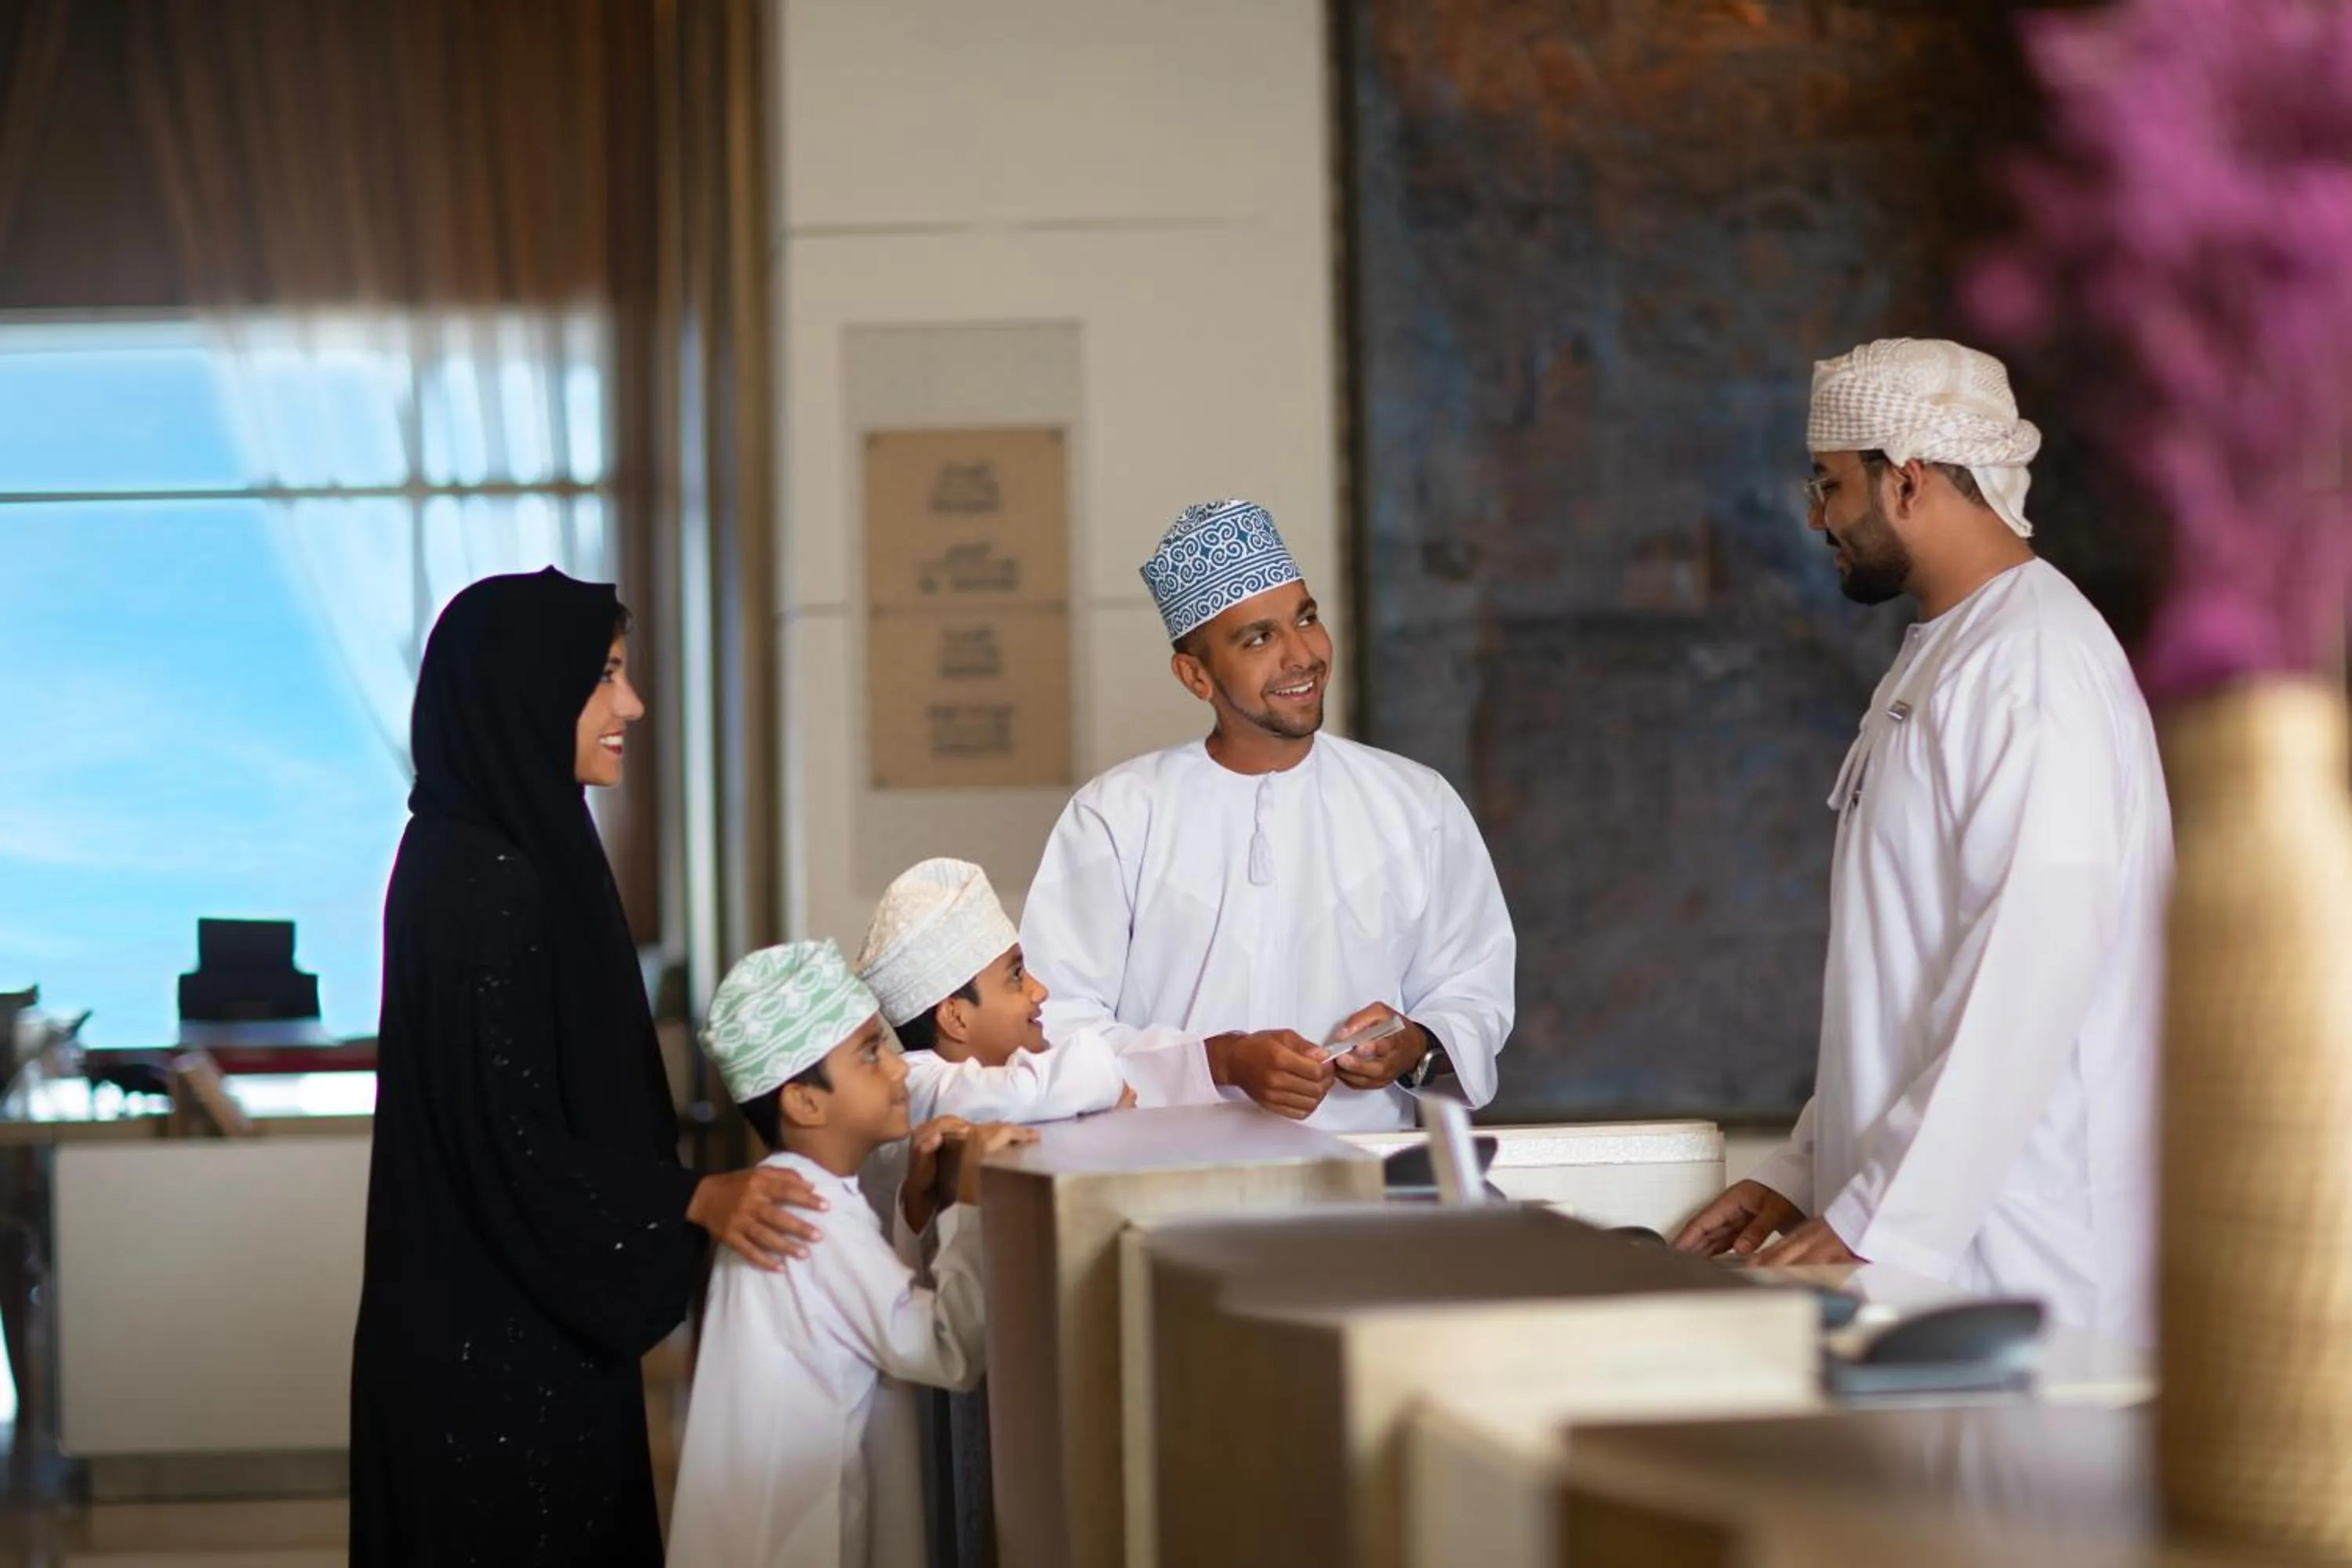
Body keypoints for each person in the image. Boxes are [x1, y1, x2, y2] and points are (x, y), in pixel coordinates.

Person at [1671, 339, 2172, 1345]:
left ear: (1906, 480)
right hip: (1923, 1247)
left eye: (1829, 483)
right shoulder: (1952, 651)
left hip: (2021, 1256)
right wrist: (1804, 1171)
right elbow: (1901, 977)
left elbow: (2028, 967)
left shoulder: (2034, 663)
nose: (1817, 516)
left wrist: (1877, 1216)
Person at [350, 569, 826, 1566]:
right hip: (500, 1372)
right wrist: (694, 1197)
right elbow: (504, 1136)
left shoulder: (478, 850)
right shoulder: (487, 878)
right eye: (605, 674)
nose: (632, 705)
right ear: (526, 688)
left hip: (491, 1337)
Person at [1019, 499, 1516, 1133]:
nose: (1302, 655)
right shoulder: (1116, 814)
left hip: (1362, 1190)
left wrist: (1414, 1044)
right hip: (1164, 1181)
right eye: (1259, 638)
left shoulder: (1415, 803)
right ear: (1195, 675)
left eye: (1306, 618)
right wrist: (1218, 1062)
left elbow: (1473, 989)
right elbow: (1056, 1023)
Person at [666, 940, 1035, 1568]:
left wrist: (915, 1210)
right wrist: (972, 1198)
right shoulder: (805, 1211)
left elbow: (861, 1319)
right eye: (870, 1055)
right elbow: (942, 1349)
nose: (898, 1071)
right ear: (805, 1101)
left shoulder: (805, 1191)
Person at [854, 857, 1132, 1124]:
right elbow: (1055, 1083)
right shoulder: (916, 1086)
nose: (1040, 991)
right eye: (1016, 976)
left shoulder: (997, 1076)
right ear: (955, 1017)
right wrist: (1098, 1085)